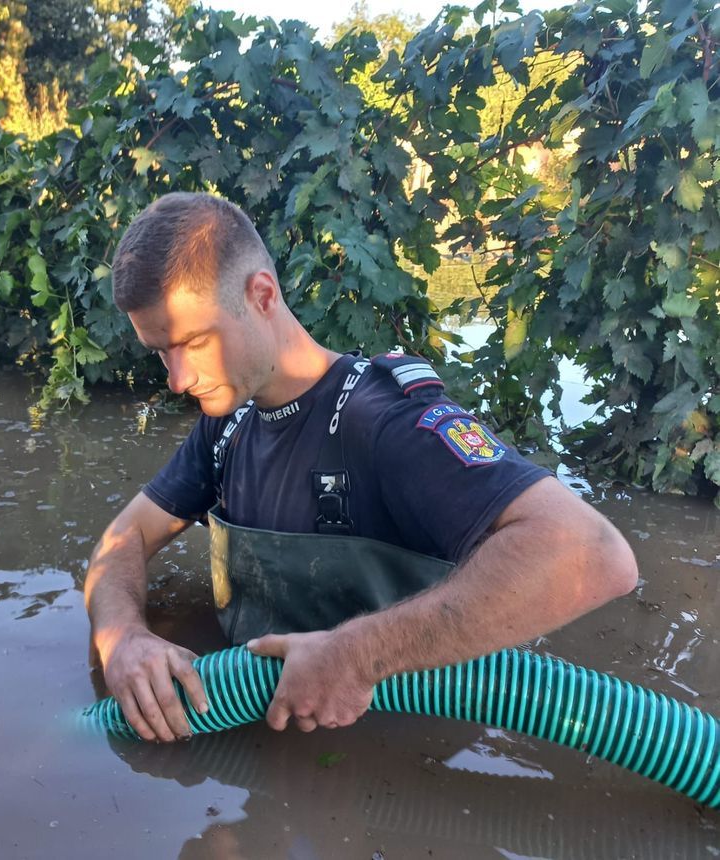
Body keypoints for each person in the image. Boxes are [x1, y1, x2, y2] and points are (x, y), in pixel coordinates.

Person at [84, 191, 638, 743]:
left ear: (262, 295)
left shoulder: (389, 423)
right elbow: (125, 536)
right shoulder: (226, 424)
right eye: (161, 351)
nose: (177, 379)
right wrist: (122, 638)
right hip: (263, 741)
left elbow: (592, 554)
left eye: (193, 342)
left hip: (403, 761)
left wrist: (356, 655)